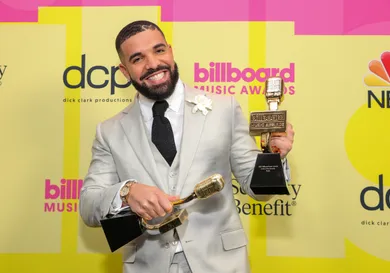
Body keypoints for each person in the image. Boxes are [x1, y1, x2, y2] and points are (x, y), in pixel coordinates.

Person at [79, 20, 295, 273]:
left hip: (221, 264)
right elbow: (89, 205)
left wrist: (274, 156)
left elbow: (259, 190)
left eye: (159, 50)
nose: (153, 64)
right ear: (125, 71)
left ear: (170, 51)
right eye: (138, 58)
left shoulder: (224, 109)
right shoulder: (109, 131)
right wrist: (127, 191)